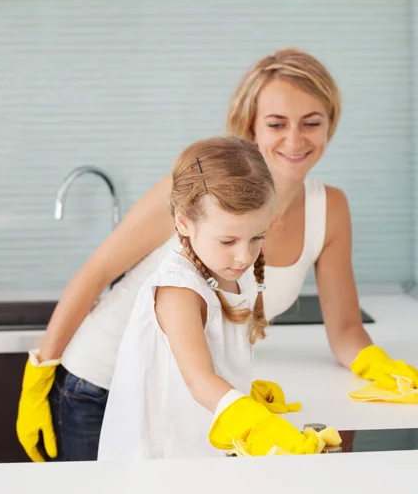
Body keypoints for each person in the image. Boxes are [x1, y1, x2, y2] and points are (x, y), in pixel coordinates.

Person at [16, 47, 418, 463]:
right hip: (100, 381)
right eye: (277, 123)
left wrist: (379, 366)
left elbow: (343, 329)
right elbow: (96, 274)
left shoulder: (330, 209)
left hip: (190, 396)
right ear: (250, 127)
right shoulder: (200, 187)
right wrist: (39, 373)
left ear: (330, 125)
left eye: (311, 122)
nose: (295, 139)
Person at [97, 135, 337, 459]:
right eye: (228, 241)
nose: (243, 256)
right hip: (159, 461)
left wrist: (242, 391)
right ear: (184, 222)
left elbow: (217, 357)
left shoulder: (227, 273)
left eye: (257, 237)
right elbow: (199, 379)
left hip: (202, 452)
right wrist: (253, 420)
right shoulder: (178, 290)